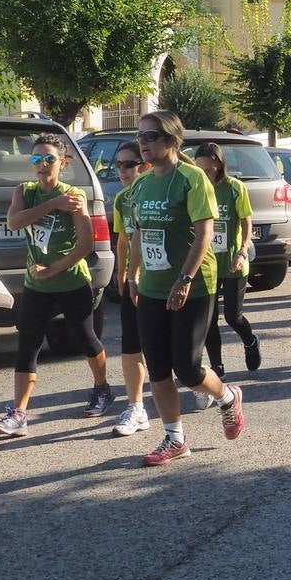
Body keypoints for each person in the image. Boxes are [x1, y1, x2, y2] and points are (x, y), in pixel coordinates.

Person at [128, 111, 244, 467]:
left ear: (171, 140)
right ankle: (174, 438)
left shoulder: (192, 179)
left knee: (188, 368)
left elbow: (205, 232)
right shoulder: (142, 184)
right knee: (159, 366)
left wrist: (185, 278)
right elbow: (138, 233)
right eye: (141, 137)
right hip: (152, 286)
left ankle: (227, 397)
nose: (143, 143)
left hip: (192, 286)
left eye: (151, 136)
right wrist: (132, 275)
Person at [0, 134, 111, 436]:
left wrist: (54, 268)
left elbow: (86, 246)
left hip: (71, 280)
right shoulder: (25, 191)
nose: (42, 165)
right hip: (36, 286)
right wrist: (52, 204)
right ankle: (18, 413)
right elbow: (14, 222)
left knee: (85, 338)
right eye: (36, 159)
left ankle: (102, 388)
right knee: (27, 345)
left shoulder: (74, 196)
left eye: (49, 159)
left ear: (63, 163)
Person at [193, 142, 262, 411]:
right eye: (199, 165)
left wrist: (242, 251)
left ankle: (250, 340)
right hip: (208, 264)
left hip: (233, 262)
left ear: (217, 163)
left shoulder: (234, 187)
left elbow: (246, 221)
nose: (203, 170)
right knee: (208, 320)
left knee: (233, 316)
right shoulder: (198, 186)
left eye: (207, 166)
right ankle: (217, 367)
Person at [109, 142, 153, 437]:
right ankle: (136, 407)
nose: (123, 171)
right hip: (134, 281)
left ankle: (201, 382)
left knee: (172, 348)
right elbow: (123, 240)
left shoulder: (158, 192)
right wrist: (121, 273)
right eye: (119, 165)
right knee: (131, 343)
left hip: (163, 280)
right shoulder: (122, 199)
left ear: (145, 165)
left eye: (129, 164)